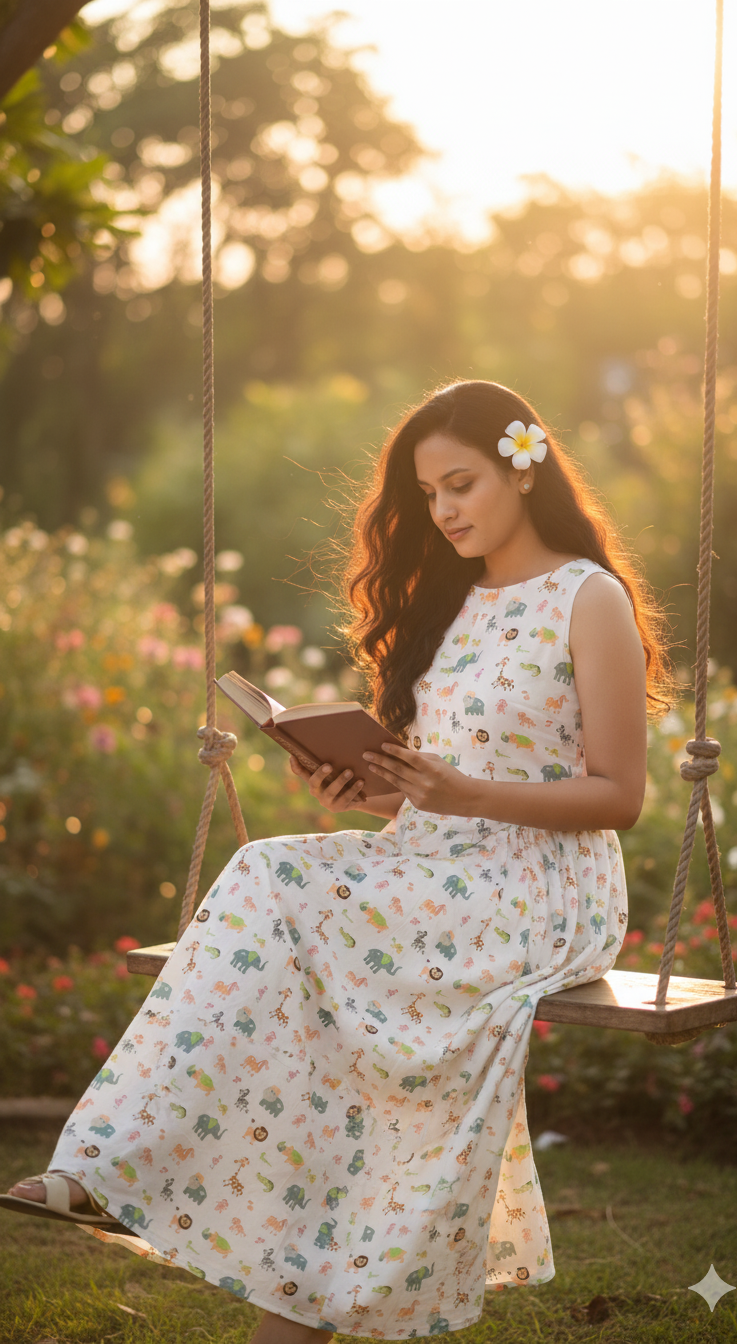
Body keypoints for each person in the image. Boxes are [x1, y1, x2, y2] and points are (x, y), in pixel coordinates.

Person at [2, 380, 671, 1340]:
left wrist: (465, 797)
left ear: (523, 468)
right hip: (435, 866)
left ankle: (112, 1167)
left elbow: (621, 796)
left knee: (275, 879)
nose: (444, 511)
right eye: (429, 494)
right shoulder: (454, 600)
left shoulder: (586, 597)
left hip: (543, 891)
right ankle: (120, 1175)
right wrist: (383, 792)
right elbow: (443, 781)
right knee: (297, 969)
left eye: (461, 483)